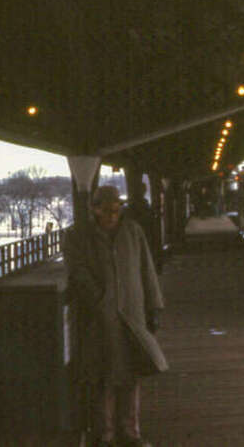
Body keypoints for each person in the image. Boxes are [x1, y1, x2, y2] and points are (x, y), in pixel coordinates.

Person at [63, 185, 167, 447]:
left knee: (131, 376)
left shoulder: (132, 232)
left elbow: (147, 270)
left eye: (117, 210)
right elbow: (78, 272)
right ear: (94, 208)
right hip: (101, 318)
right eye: (107, 211)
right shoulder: (78, 236)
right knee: (105, 377)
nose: (113, 216)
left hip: (133, 314)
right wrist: (99, 298)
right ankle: (106, 434)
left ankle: (131, 433)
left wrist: (154, 307)